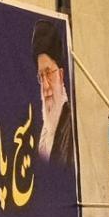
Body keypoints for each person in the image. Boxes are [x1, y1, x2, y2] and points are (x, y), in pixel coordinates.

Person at [31, 19, 74, 168]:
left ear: (61, 75)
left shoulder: (71, 125)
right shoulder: (43, 136)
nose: (45, 85)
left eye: (49, 73)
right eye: (41, 76)